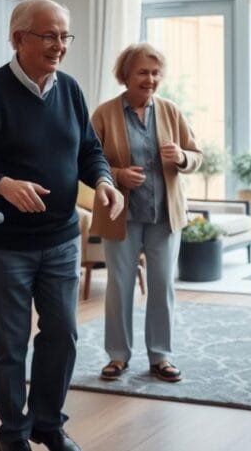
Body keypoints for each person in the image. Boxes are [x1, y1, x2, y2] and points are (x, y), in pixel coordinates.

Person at [0, 0, 124, 451]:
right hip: (4, 244)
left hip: (62, 238)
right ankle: (14, 434)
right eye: (49, 35)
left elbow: (88, 149)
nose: (59, 45)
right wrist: (2, 183)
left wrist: (102, 181)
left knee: (62, 333)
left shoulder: (69, 89)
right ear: (18, 38)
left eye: (64, 36)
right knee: (9, 344)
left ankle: (48, 423)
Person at [89, 43, 203, 384]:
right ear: (125, 75)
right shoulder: (105, 114)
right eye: (142, 72)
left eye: (155, 73)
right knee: (120, 287)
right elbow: (88, 162)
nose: (150, 79)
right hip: (120, 214)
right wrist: (118, 175)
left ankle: (161, 356)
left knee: (161, 285)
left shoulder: (170, 111)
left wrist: (182, 157)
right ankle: (117, 357)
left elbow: (197, 155)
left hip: (164, 216)